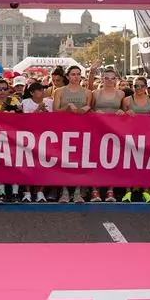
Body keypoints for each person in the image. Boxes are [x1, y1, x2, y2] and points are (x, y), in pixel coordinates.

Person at [53, 66, 92, 203]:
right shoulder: (59, 91)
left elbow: (88, 110)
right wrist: (67, 107)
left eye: (78, 74)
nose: (76, 77)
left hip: (82, 130)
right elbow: (55, 112)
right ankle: (64, 191)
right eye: (73, 74)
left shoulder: (87, 92)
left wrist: (87, 109)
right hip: (63, 130)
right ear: (68, 76)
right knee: (64, 160)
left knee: (79, 160)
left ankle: (77, 191)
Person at [88, 68, 125, 202]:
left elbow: (125, 110)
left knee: (112, 159)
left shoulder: (121, 93)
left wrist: (121, 111)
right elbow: (89, 108)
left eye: (112, 78)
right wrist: (95, 112)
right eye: (107, 78)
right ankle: (94, 190)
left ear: (116, 80)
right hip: (97, 129)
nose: (110, 81)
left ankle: (110, 190)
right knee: (96, 159)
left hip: (115, 130)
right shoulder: (95, 93)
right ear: (102, 79)